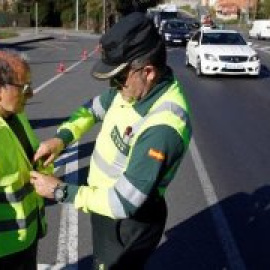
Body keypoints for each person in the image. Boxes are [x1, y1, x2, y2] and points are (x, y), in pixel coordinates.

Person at [30, 12, 192, 270]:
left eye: (119, 78)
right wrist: (61, 139)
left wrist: (59, 190)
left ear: (147, 72)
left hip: (128, 221)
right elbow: (91, 110)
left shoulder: (163, 127)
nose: (114, 87)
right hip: (102, 206)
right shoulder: (131, 91)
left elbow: (122, 203)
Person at [0, 51, 53, 269]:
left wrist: (43, 164)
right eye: (22, 87)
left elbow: (26, 158)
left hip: (28, 238)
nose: (30, 94)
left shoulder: (17, 115)